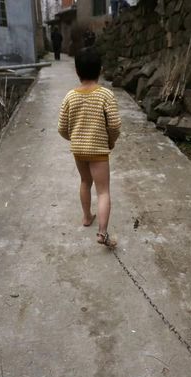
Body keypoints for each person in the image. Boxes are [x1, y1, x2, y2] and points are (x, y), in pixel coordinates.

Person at [58, 47, 122, 248]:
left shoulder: (70, 96)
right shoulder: (106, 95)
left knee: (85, 181)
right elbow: (114, 125)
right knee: (103, 191)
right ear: (100, 70)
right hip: (98, 150)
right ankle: (102, 233)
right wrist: (110, 141)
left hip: (79, 150)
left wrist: (74, 139)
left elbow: (61, 127)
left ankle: (87, 217)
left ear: (77, 71)